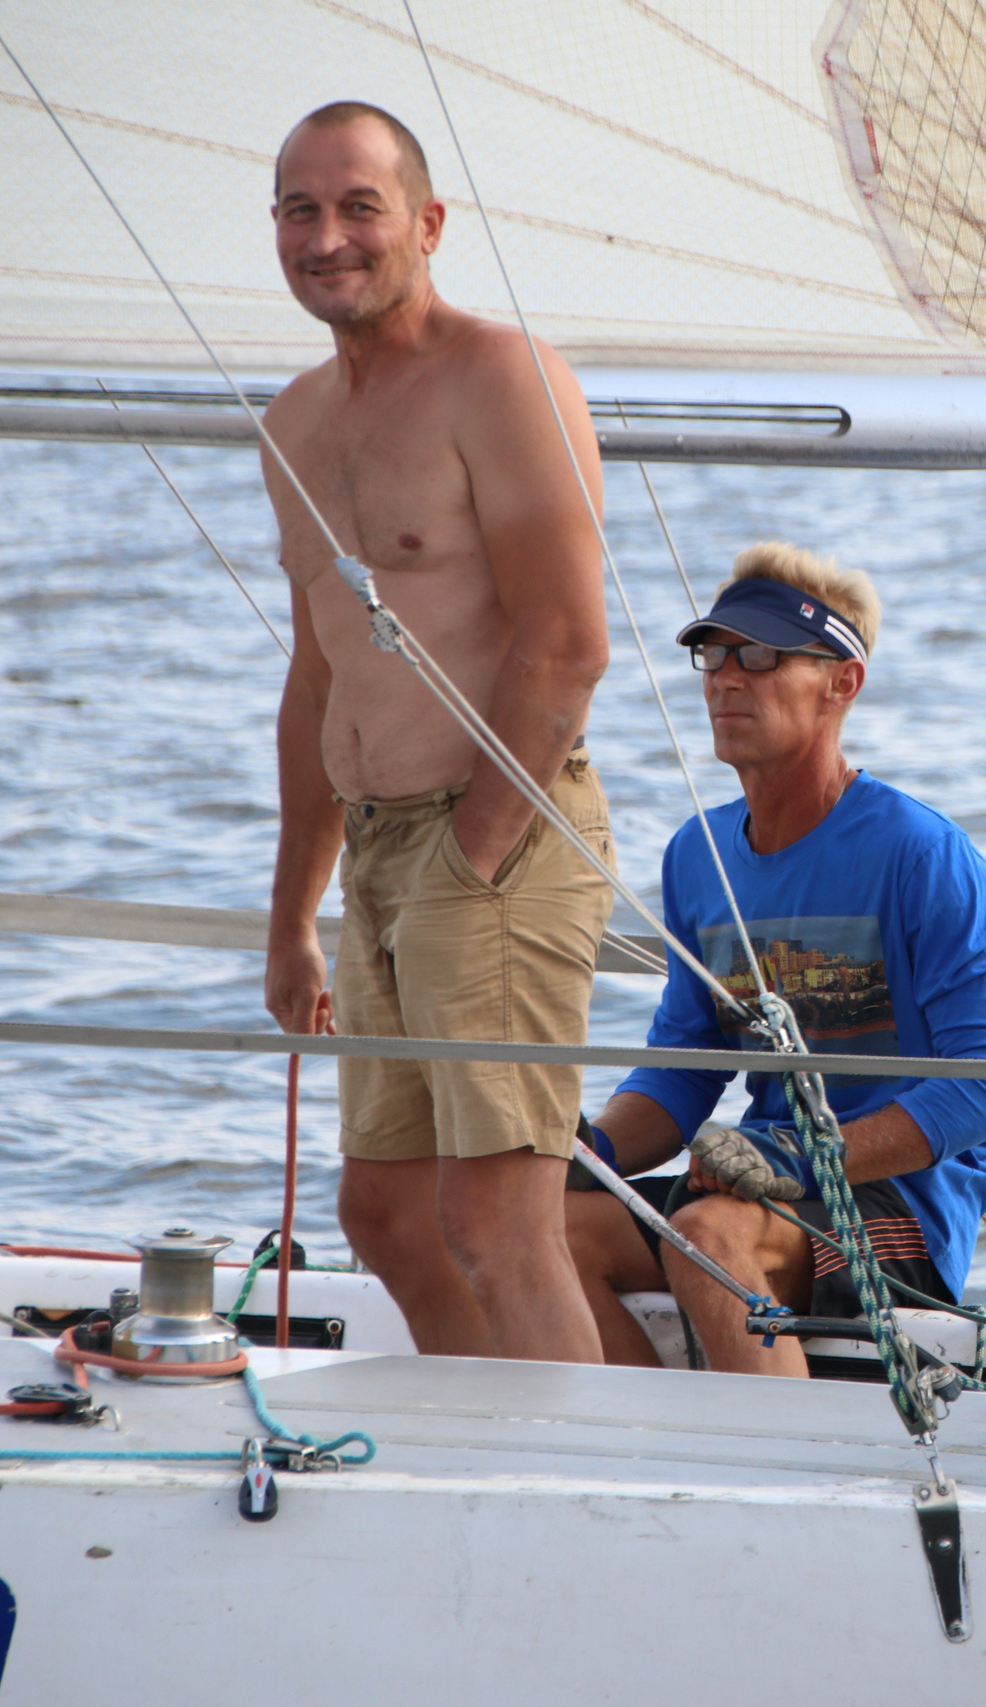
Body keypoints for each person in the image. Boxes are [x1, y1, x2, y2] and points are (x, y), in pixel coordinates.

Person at [258, 101, 614, 1364]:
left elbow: (568, 639)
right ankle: (489, 1459)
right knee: (388, 1212)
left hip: (495, 837)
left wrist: (474, 850)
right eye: (301, 209)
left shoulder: (501, 377)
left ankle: (576, 1494)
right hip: (376, 859)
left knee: (497, 1220)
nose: (329, 235)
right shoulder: (292, 424)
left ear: (428, 223)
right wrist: (293, 913)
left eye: (359, 205)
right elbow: (319, 677)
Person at [564, 545, 986, 1373]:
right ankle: (652, 1459)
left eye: (762, 655)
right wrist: (587, 1150)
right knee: (547, 1226)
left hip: (898, 1205)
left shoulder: (921, 852)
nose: (725, 678)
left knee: (706, 1234)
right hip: (758, 1183)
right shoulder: (697, 853)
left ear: (842, 683)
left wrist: (798, 1156)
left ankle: (784, 1478)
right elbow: (682, 1071)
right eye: (715, 654)